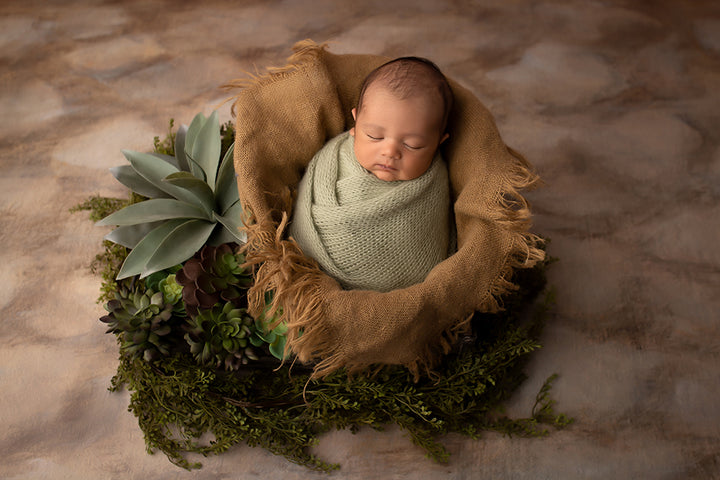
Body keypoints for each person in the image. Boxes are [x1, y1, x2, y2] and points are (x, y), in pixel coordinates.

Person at [289, 57, 454, 292]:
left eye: (413, 145)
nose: (389, 152)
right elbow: (305, 201)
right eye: (375, 136)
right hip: (312, 279)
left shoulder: (433, 186)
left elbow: (427, 246)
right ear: (356, 123)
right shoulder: (332, 159)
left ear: (439, 143)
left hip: (393, 298)